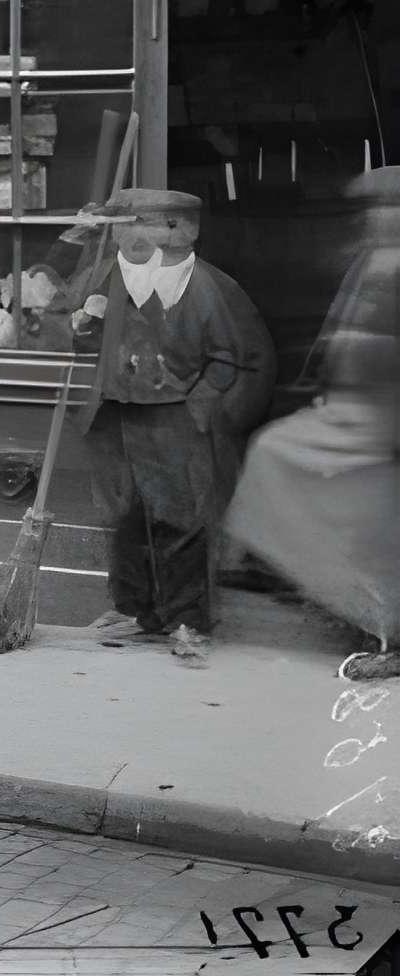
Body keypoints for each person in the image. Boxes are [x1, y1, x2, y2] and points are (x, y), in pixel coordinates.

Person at [49, 187, 276, 665]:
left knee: (182, 521)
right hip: (114, 416)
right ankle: (135, 611)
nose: (132, 238)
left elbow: (240, 359)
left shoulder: (211, 288)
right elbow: (64, 333)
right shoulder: (103, 278)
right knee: (123, 516)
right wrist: (81, 329)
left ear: (176, 233)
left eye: (141, 227)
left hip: (176, 418)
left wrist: (200, 408)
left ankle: (188, 621)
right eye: (127, 228)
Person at [224, 167, 400, 679]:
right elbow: (346, 336)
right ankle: (314, 585)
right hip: (355, 410)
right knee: (274, 452)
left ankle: (389, 638)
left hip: (386, 419)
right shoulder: (371, 262)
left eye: (392, 210)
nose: (382, 219)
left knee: (377, 527)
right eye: (376, 211)